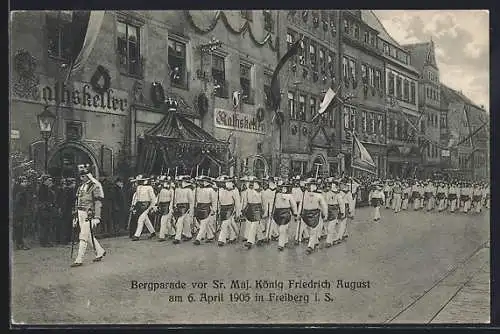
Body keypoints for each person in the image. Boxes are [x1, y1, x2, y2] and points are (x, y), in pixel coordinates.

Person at [71, 164, 106, 267]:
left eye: (84, 175)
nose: (82, 177)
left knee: (83, 235)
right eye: (81, 176)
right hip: (80, 213)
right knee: (88, 235)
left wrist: (97, 216)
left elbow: (98, 202)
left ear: (88, 176)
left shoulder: (94, 186)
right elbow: (77, 201)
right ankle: (100, 251)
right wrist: (75, 215)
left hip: (89, 214)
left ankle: (79, 259)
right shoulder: (80, 187)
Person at [300, 178, 328, 255]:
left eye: (309, 185)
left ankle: (310, 246)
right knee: (309, 229)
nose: (308, 187)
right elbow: (301, 204)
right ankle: (315, 241)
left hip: (315, 214)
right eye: (307, 185)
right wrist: (299, 213)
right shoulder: (305, 194)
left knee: (313, 230)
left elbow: (324, 206)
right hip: (305, 214)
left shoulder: (319, 195)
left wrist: (325, 214)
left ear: (314, 186)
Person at [272, 180, 298, 251]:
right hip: (277, 213)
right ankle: (285, 240)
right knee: (280, 228)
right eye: (282, 187)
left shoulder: (289, 196)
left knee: (282, 229)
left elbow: (294, 205)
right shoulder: (277, 195)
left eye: (285, 188)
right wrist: (273, 211)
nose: (283, 189)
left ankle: (281, 245)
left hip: (285, 213)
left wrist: (295, 213)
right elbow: (274, 203)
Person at [216, 176, 241, 246]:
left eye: (224, 183)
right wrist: (217, 208)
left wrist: (238, 212)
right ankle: (234, 235)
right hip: (223, 208)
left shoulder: (234, 190)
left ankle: (221, 240)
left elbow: (237, 201)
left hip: (230, 208)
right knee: (230, 223)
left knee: (224, 224)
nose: (222, 184)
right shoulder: (220, 190)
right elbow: (218, 200)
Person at [130, 175, 157, 241]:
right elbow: (137, 197)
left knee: (141, 219)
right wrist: (133, 205)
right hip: (139, 204)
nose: (140, 182)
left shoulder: (149, 188)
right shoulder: (138, 187)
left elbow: (153, 198)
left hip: (147, 204)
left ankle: (137, 235)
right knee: (145, 219)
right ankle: (152, 232)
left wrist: (152, 206)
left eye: (141, 181)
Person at [193, 176, 217, 245]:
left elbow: (214, 201)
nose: (200, 182)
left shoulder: (211, 190)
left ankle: (198, 239)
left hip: (207, 207)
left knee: (203, 224)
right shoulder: (198, 189)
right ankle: (210, 236)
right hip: (199, 207)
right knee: (207, 223)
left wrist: (214, 210)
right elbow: (196, 199)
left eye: (201, 181)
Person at [172, 176, 195, 244]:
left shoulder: (189, 190)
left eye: (180, 181)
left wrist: (191, 210)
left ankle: (177, 238)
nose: (179, 182)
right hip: (179, 206)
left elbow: (191, 201)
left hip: (185, 207)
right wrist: (175, 205)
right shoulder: (177, 189)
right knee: (186, 221)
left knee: (179, 221)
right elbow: (175, 199)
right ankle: (188, 235)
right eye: (178, 181)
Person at [243, 176, 264, 249]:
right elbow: (246, 201)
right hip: (250, 208)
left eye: (255, 183)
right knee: (256, 225)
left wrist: (264, 210)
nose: (253, 184)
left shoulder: (261, 192)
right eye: (252, 183)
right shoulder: (247, 191)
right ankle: (261, 238)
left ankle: (250, 241)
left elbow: (263, 202)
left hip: (257, 209)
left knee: (254, 225)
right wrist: (243, 209)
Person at [38, 175, 57, 247]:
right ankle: (44, 242)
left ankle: (46, 241)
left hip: (48, 209)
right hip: (44, 209)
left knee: (47, 225)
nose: (50, 181)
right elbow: (42, 200)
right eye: (49, 180)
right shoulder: (42, 188)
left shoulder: (47, 188)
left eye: (51, 180)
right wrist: (49, 205)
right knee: (44, 226)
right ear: (45, 181)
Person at [325, 179, 345, 247]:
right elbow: (325, 202)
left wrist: (342, 212)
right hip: (328, 210)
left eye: (333, 184)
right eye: (331, 184)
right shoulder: (328, 193)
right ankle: (336, 238)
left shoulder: (338, 194)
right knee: (330, 226)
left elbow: (341, 204)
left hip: (334, 211)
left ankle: (329, 241)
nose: (331, 185)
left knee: (330, 227)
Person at [13, 176, 31, 250]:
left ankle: (19, 244)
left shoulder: (23, 191)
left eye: (26, 181)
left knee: (21, 228)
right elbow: (19, 202)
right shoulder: (20, 191)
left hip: (21, 212)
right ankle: (20, 244)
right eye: (24, 181)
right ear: (21, 183)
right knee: (20, 228)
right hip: (19, 212)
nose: (26, 183)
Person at [156, 177, 175, 242]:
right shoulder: (161, 189)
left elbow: (172, 199)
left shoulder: (171, 190)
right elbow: (159, 197)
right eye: (164, 181)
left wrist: (171, 207)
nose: (164, 182)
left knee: (163, 221)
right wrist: (157, 204)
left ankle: (162, 236)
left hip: (167, 205)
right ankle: (173, 233)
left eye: (166, 181)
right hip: (162, 205)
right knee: (167, 223)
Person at [262, 177, 279, 242]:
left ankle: (268, 236)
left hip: (272, 205)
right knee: (271, 220)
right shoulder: (274, 188)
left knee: (270, 220)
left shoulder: (272, 188)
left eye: (268, 181)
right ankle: (275, 234)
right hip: (270, 205)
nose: (267, 182)